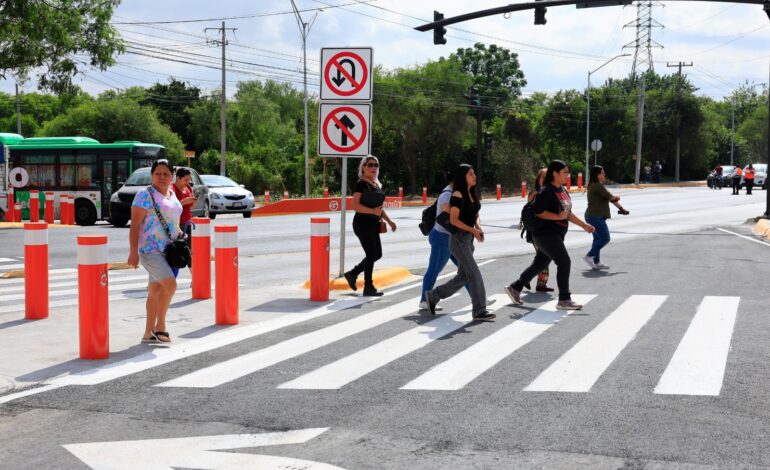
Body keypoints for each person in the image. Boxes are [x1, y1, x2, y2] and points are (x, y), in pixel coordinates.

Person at [505, 160, 595, 310]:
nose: (567, 175)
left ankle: (515, 287)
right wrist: (558, 217)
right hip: (545, 235)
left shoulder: (562, 190)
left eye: (567, 172)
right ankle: (564, 299)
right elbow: (539, 212)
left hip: (554, 235)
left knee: (540, 263)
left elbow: (567, 213)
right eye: (564, 172)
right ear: (555, 173)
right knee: (564, 262)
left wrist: (584, 225)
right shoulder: (546, 191)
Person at [425, 164, 495, 321]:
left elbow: (475, 213)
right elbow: (453, 220)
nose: (474, 176)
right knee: (475, 274)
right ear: (463, 177)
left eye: (474, 173)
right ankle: (479, 311)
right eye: (470, 174)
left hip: (468, 240)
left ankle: (434, 295)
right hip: (458, 241)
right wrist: (472, 231)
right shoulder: (457, 194)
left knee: (463, 277)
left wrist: (478, 227)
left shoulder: (471, 193)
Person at [127, 159, 184, 345]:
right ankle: (160, 327)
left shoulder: (171, 193)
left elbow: (172, 219)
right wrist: (133, 252)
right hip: (151, 251)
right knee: (171, 286)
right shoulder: (144, 195)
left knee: (155, 291)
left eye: (166, 174)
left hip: (168, 250)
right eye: (158, 173)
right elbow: (134, 224)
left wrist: (180, 233)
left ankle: (147, 333)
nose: (162, 177)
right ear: (152, 175)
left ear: (172, 176)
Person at [344, 155, 397, 296]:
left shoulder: (376, 184)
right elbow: (354, 205)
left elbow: (379, 207)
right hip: (362, 223)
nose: (373, 167)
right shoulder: (361, 184)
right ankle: (368, 287)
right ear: (363, 167)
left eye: (376, 165)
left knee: (377, 254)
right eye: (370, 165)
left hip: (373, 224)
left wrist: (390, 221)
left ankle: (352, 273)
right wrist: (372, 211)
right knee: (371, 254)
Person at [583, 165, 628, 271]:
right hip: (595, 217)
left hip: (593, 216)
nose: (604, 174)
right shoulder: (597, 186)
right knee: (605, 238)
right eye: (603, 173)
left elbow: (610, 199)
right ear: (597, 175)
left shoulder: (596, 185)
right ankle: (589, 256)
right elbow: (612, 197)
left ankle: (596, 262)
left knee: (597, 239)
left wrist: (622, 209)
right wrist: (617, 197)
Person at [526, 168, 553, 292]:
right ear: (538, 179)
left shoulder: (550, 192)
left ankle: (530, 280)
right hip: (537, 231)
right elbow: (531, 212)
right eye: (543, 177)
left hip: (547, 231)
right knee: (544, 258)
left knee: (541, 258)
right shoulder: (535, 193)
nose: (545, 179)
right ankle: (538, 283)